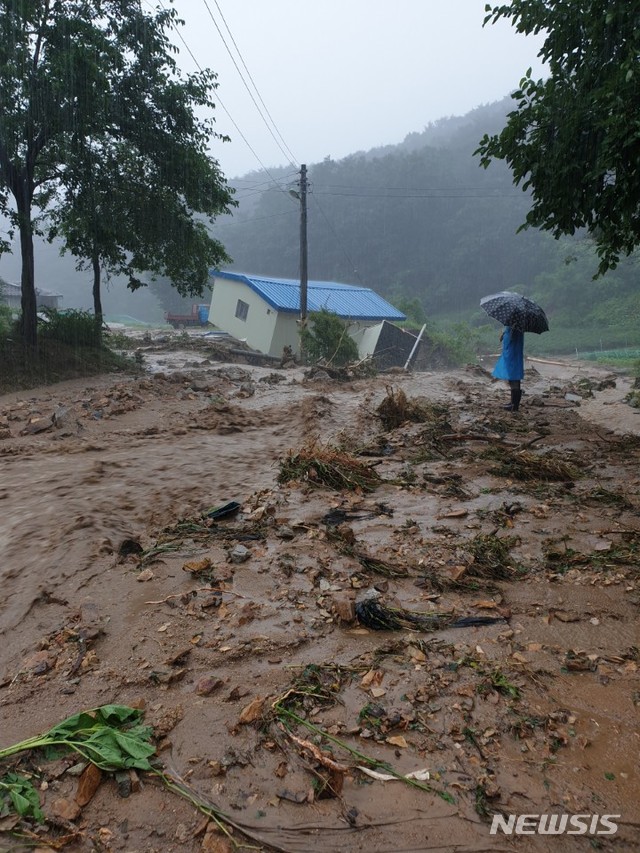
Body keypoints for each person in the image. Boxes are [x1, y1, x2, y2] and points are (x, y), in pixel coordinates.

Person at [492, 326, 524, 411]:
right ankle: (513, 403)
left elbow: (511, 339)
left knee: (514, 378)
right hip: (512, 355)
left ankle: (514, 405)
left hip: (513, 355)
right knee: (512, 377)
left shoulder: (515, 327)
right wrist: (504, 334)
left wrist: (506, 334)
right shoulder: (512, 327)